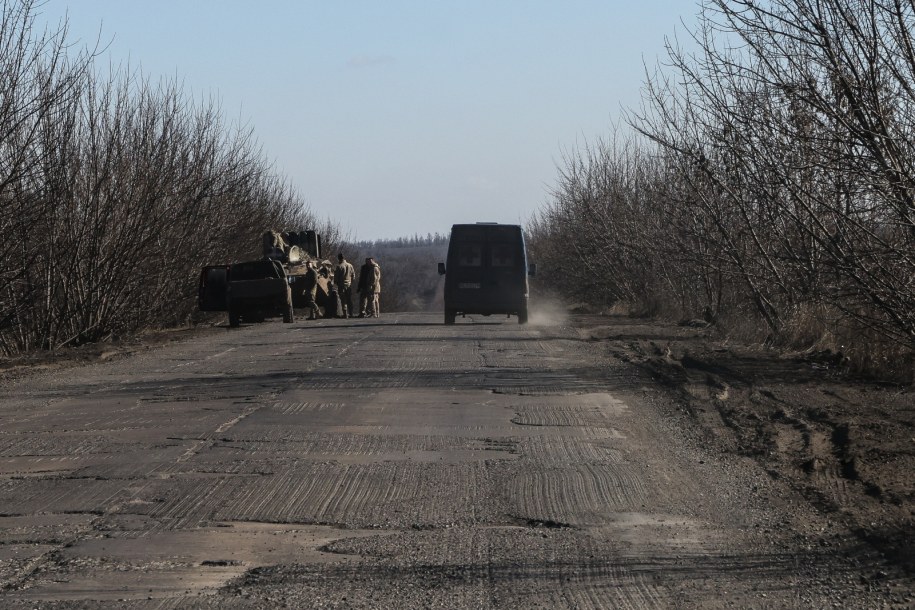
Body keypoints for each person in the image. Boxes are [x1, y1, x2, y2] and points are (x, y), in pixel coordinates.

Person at [333, 253, 356, 318]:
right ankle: (351, 313)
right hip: (348, 285)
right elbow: (353, 276)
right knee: (349, 299)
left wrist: (336, 283)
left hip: (341, 285)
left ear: (339, 258)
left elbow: (336, 277)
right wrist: (350, 282)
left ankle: (345, 314)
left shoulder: (339, 266)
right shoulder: (350, 265)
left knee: (343, 299)